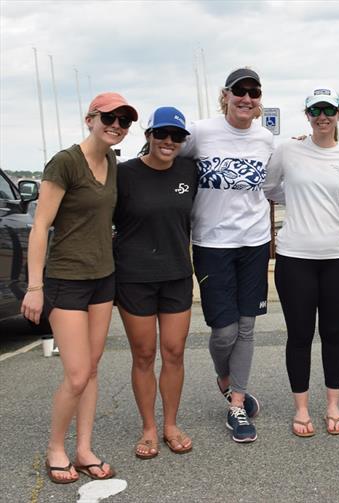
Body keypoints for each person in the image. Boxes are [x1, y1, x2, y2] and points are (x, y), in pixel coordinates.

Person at [21, 92, 138, 483]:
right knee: (75, 374)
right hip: (66, 280)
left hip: (103, 278)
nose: (116, 125)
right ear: (90, 118)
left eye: (124, 121)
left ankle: (84, 448)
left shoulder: (112, 162)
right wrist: (35, 287)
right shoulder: (65, 162)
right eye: (109, 117)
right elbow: (40, 227)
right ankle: (56, 447)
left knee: (90, 370)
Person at [263, 86, 339, 437]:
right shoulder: (287, 149)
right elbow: (270, 188)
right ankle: (301, 408)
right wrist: (302, 198)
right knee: (299, 335)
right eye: (315, 110)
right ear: (307, 115)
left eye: (328, 111)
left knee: (334, 334)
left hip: (336, 257)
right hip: (294, 257)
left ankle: (333, 404)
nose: (322, 117)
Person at [181, 68, 273, 443]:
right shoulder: (201, 132)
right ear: (226, 95)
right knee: (224, 332)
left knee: (247, 328)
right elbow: (164, 155)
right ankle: (224, 375)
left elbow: (276, 183)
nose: (246, 99)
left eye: (253, 93)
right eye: (240, 92)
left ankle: (236, 403)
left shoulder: (267, 139)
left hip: (254, 243)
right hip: (211, 244)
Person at [114, 107, 196, 458]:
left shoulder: (190, 170)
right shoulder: (123, 174)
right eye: (161, 134)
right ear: (147, 135)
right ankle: (148, 428)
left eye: (177, 136)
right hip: (134, 277)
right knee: (144, 354)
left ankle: (170, 425)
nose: (168, 141)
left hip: (177, 274)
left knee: (174, 352)